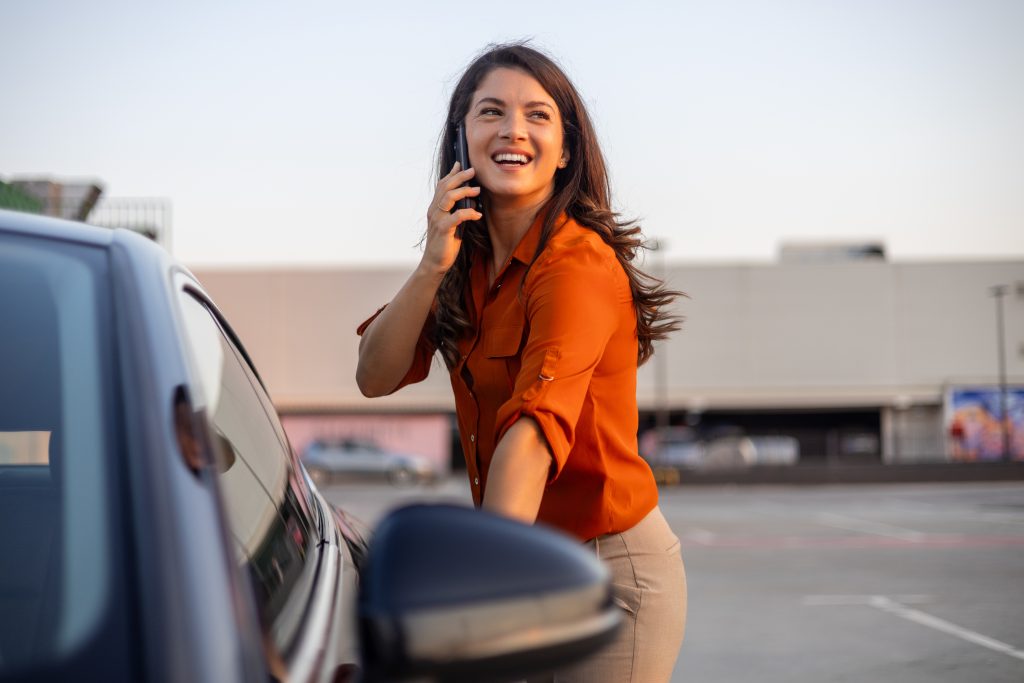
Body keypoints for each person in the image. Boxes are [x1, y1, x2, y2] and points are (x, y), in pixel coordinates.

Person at [355, 42, 686, 682]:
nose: (513, 130)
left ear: (565, 151)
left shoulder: (576, 264)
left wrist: (484, 585)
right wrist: (431, 264)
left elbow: (531, 435)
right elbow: (374, 375)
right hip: (524, 554)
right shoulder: (462, 260)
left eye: (538, 115)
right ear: (461, 141)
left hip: (608, 570)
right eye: (490, 112)